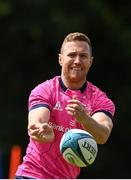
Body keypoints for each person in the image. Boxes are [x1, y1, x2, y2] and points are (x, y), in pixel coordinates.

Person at [15, 32, 115, 179]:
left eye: (83, 56)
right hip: (32, 175)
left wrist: (84, 118)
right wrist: (43, 132)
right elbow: (36, 123)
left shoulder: (100, 100)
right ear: (60, 59)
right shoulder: (44, 90)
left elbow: (102, 135)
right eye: (71, 55)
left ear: (91, 61)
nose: (77, 61)